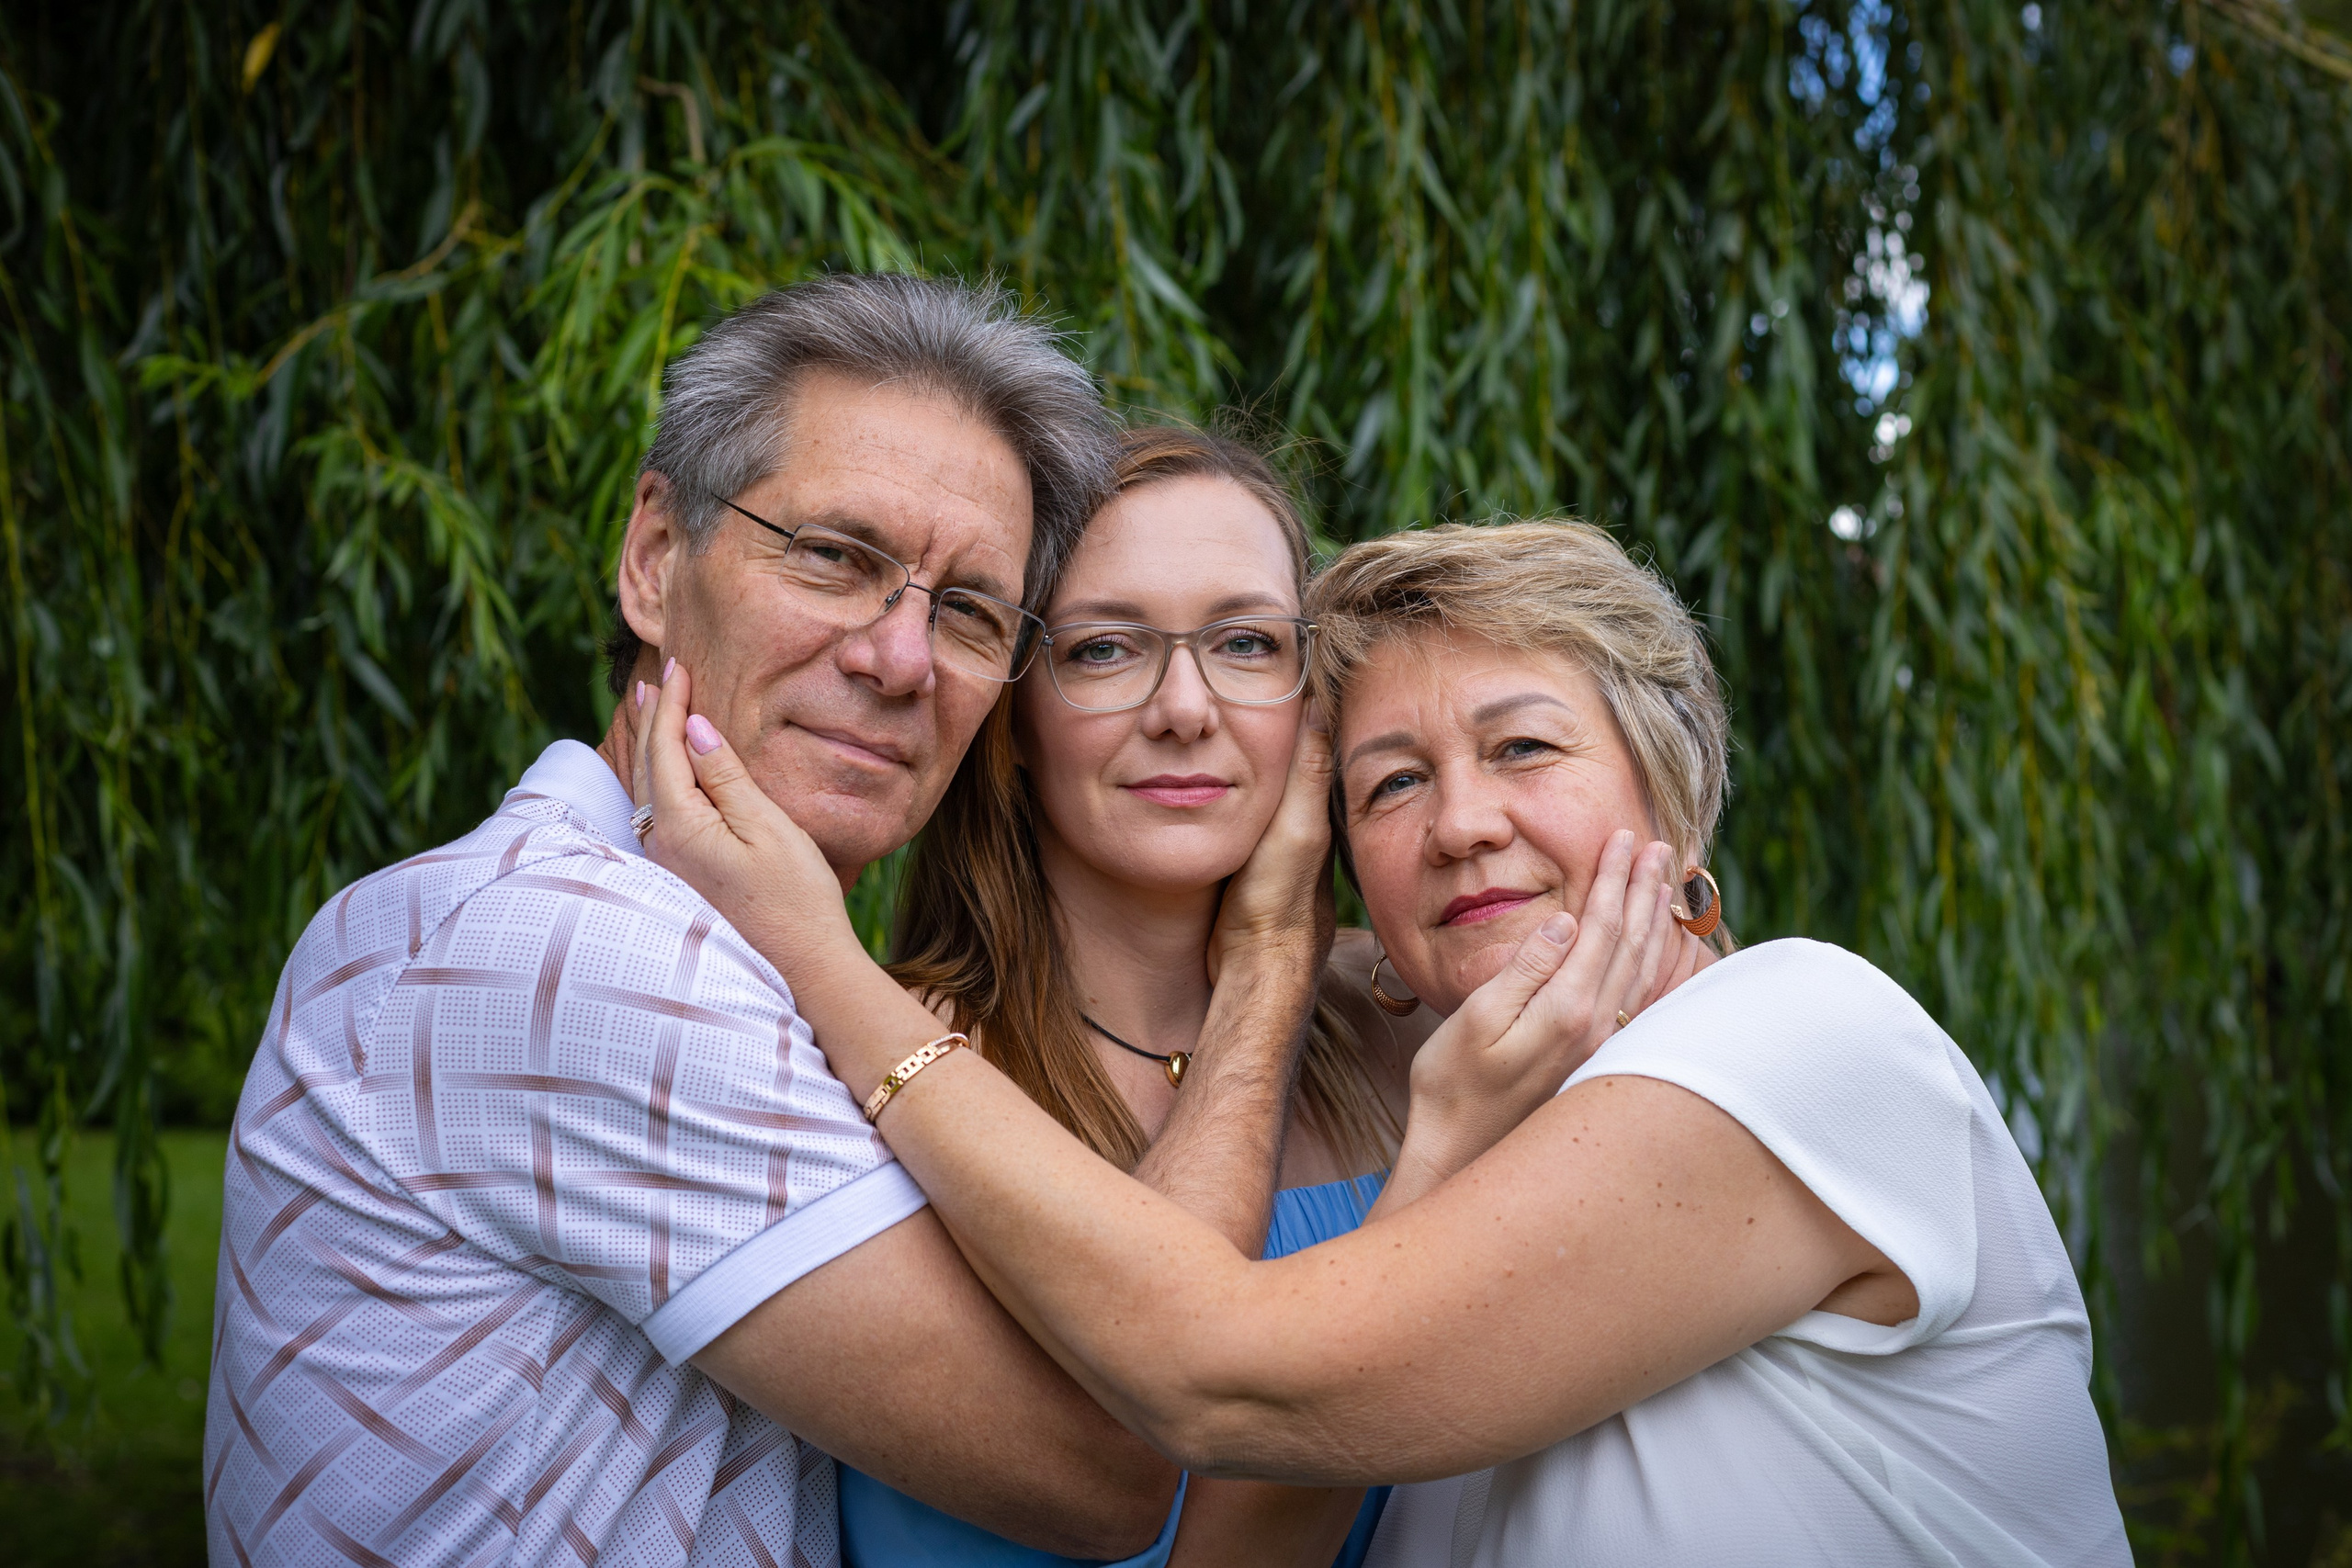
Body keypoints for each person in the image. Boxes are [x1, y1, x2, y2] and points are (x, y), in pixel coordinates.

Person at [628, 517, 2132, 1566]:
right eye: (1390, 785)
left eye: (1526, 747)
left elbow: (1227, 1377)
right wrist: (1433, 1138)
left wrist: (817, 956)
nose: (1462, 822)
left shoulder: (1800, 1032)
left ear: (1674, 805)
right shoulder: (1485, 1155)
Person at [206, 274, 1325, 1568]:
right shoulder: (579, 952)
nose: (899, 658)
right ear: (653, 556)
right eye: (836, 557)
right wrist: (1266, 958)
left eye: (967, 611)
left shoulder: (644, 931)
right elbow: (1115, 1463)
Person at [834, 425, 1465, 1568]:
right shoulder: (876, 1060)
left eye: (1243, 642)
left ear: (1310, 705)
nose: (1185, 707)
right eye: (1106, 651)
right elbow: (1153, 1410)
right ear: (1013, 719)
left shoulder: (1413, 1026)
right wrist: (1269, 960)